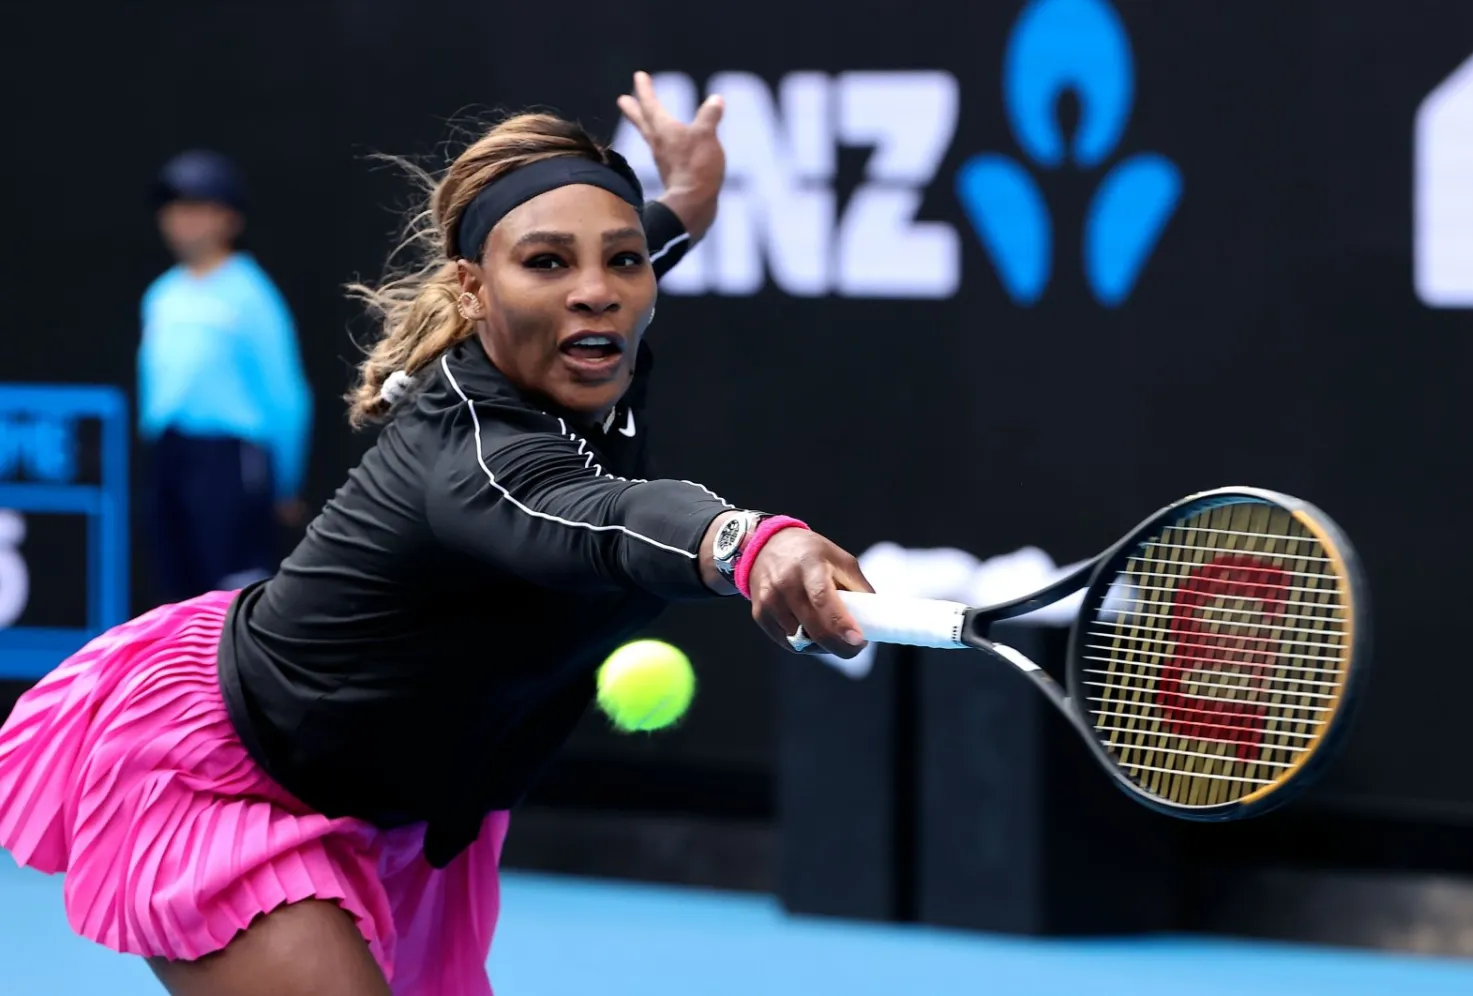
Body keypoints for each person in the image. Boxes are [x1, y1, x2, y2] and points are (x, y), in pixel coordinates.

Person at [0, 74, 873, 996]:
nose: (597, 293)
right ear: (472, 286)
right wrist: (748, 541)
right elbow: (608, 519)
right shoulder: (476, 451)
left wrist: (686, 202)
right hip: (236, 781)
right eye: (546, 263)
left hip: (409, 806)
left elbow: (616, 248)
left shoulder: (589, 325)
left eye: (624, 262)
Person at [140, 148, 313, 602]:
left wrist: (285, 479)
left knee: (233, 593)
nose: (184, 222)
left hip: (230, 462)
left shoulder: (251, 293)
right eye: (176, 209)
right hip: (172, 456)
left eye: (199, 209)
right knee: (175, 590)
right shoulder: (162, 294)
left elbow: (286, 394)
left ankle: (235, 676)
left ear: (229, 219)